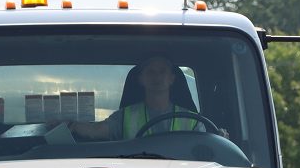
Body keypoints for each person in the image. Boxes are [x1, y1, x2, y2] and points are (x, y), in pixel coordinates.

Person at [70, 55, 204, 141]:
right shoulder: (124, 117)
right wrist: (70, 125)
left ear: (172, 79)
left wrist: (220, 139)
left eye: (162, 71)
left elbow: (206, 146)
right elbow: (96, 131)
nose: (157, 77)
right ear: (141, 79)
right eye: (151, 72)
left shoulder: (192, 121)